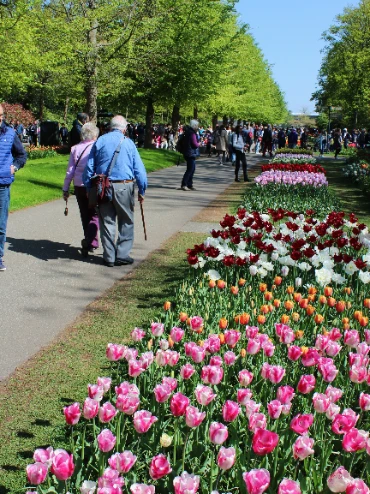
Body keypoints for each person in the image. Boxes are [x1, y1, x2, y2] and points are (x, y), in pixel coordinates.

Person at [83, 115, 147, 267]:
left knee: (107, 221)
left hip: (103, 187)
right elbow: (139, 170)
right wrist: (142, 189)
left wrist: (88, 188)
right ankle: (122, 254)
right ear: (124, 129)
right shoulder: (129, 143)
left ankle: (109, 257)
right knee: (126, 220)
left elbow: (89, 168)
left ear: (110, 127)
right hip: (124, 186)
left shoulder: (100, 141)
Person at [63, 122, 100, 257]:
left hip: (79, 185)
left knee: (85, 214)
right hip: (93, 185)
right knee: (95, 214)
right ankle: (91, 241)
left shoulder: (75, 148)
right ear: (95, 134)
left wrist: (65, 188)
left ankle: (90, 241)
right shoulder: (97, 147)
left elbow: (70, 171)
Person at [0, 105, 27, 271]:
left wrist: (14, 167)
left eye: (0, 115)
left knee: (0, 225)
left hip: (2, 185)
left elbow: (22, 155)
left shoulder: (10, 133)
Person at [180, 119, 200, 191]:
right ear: (194, 126)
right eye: (197, 125)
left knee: (192, 169)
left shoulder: (188, 132)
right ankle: (184, 184)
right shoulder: (192, 133)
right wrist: (198, 144)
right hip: (190, 153)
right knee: (190, 169)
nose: (198, 127)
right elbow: (194, 144)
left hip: (187, 152)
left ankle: (189, 184)